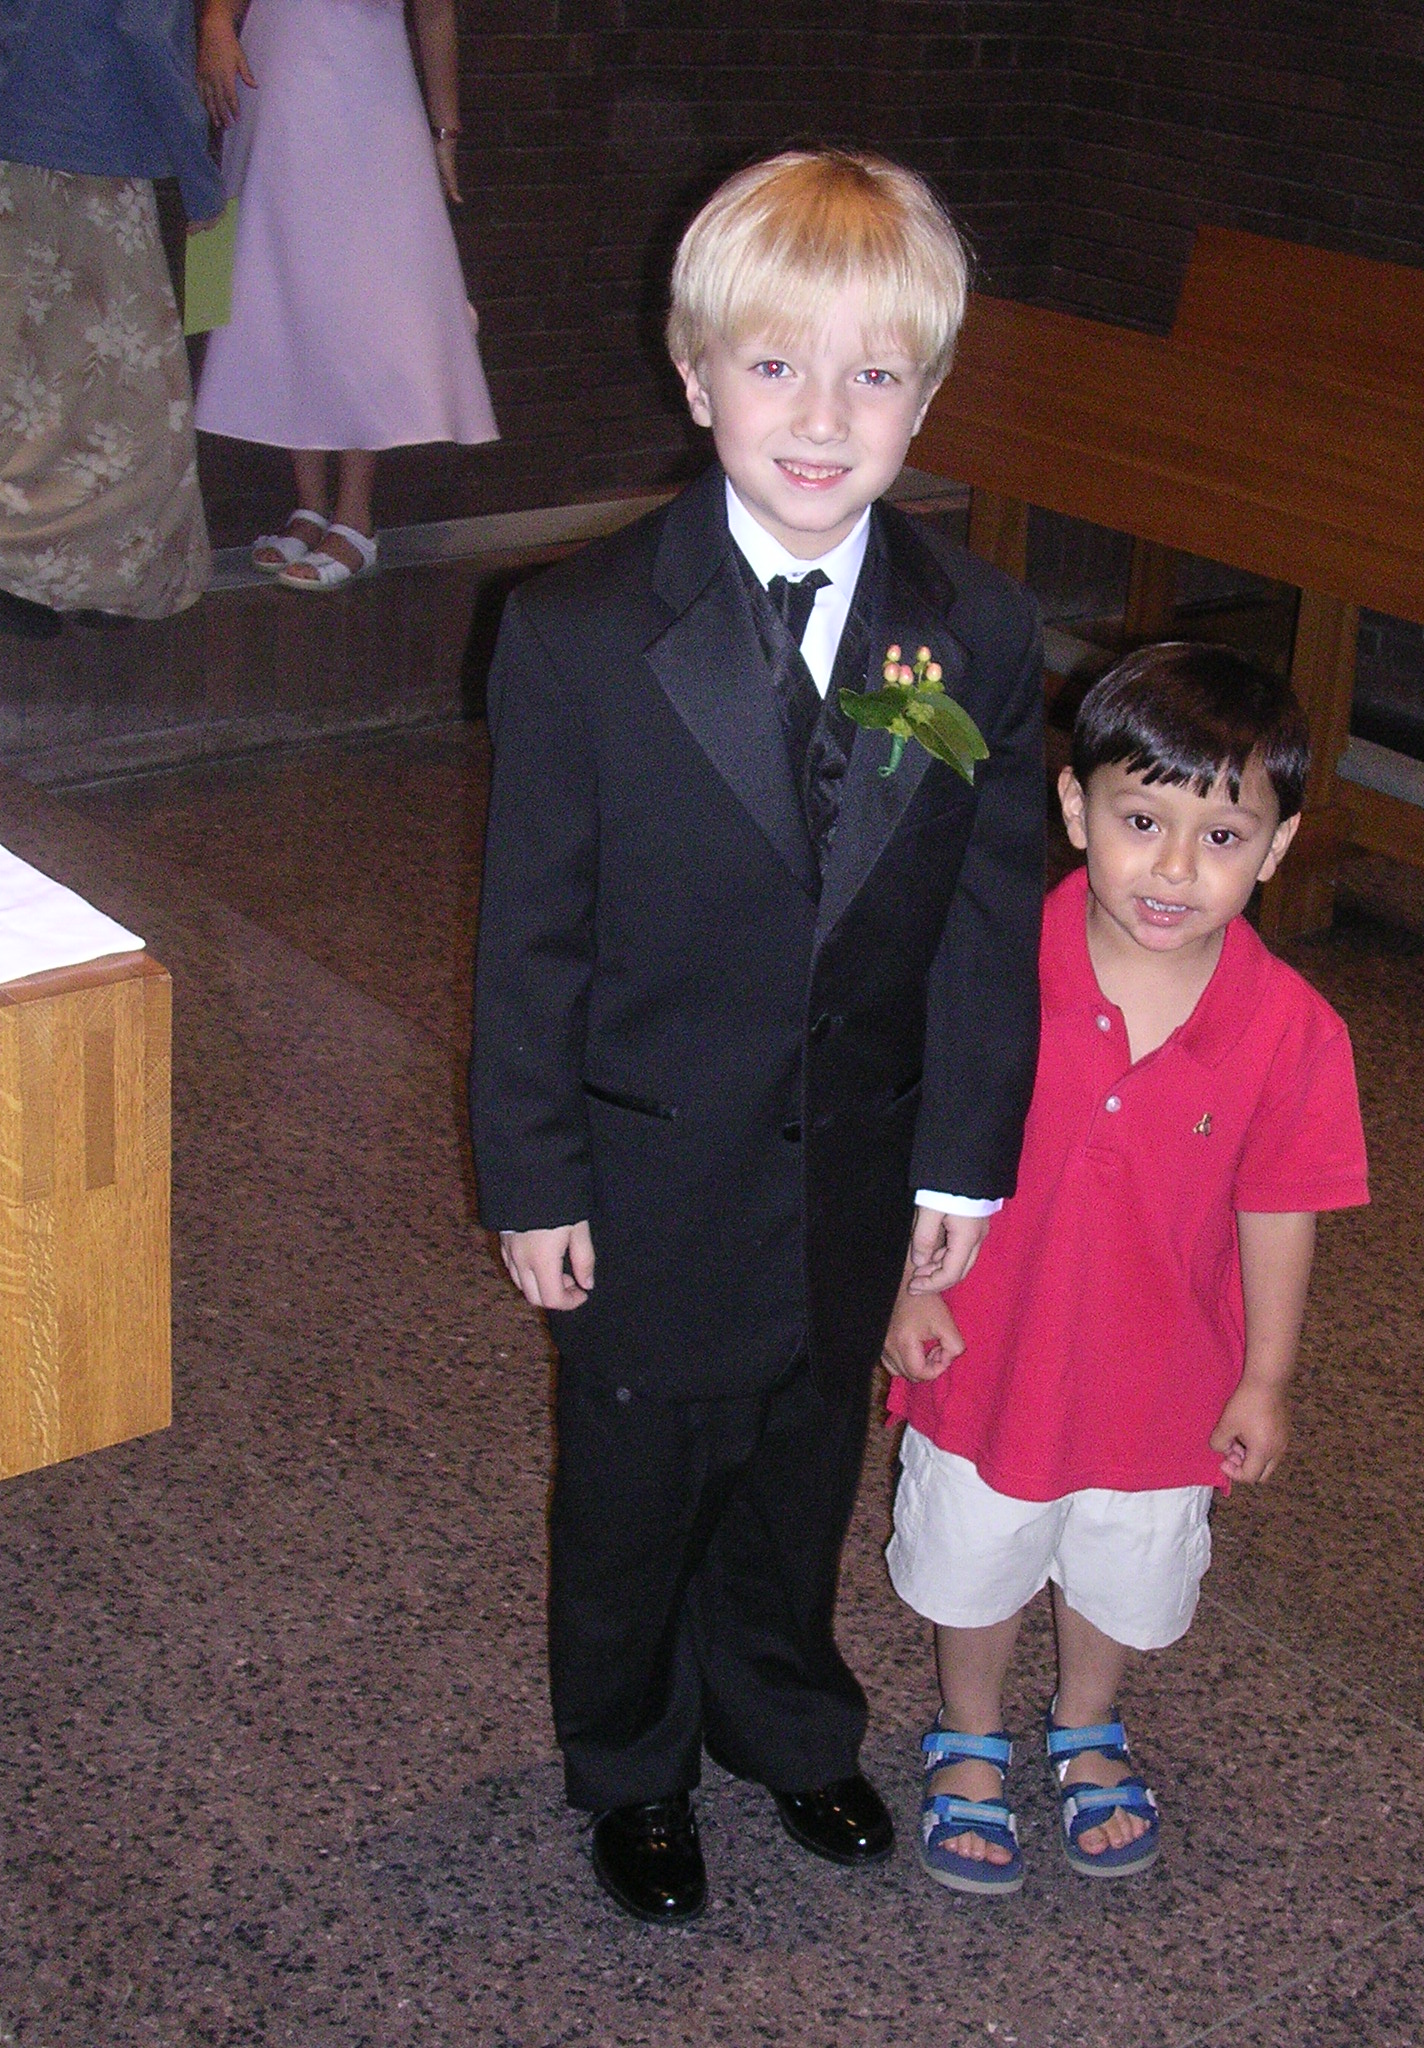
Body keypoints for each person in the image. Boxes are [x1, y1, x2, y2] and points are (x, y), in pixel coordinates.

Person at [470, 149, 1045, 1926]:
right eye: (776, 365)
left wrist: (961, 1159)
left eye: (873, 376)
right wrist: (533, 1175)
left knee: (804, 1461)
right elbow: (532, 936)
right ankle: (632, 1760)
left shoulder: (970, 629)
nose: (821, 417)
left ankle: (785, 1716)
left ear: (924, 400)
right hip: (647, 1161)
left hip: (853, 1162)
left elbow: (984, 914)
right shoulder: (576, 630)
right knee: (639, 1483)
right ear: (695, 370)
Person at [884, 642, 1369, 1894]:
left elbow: (1281, 1210)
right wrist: (906, 1284)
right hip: (989, 1351)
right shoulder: (993, 965)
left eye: (1223, 837)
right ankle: (970, 1730)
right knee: (975, 1554)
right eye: (1141, 820)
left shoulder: (1294, 1031)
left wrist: (1267, 1376)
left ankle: (1087, 1720)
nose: (1173, 868)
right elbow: (911, 1133)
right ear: (1073, 806)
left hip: (1164, 1379)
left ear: (1278, 847)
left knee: (1124, 1560)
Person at [193, 0, 496, 590]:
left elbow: (435, 14)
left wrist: (444, 131)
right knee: (281, 288)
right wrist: (216, 22)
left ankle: (355, 515)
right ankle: (309, 505)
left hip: (364, 102)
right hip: (269, 91)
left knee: (361, 301)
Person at [0, 0, 222, 635]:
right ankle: (104, 579)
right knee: (138, 397)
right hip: (97, 156)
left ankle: (24, 581)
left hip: (15, 150)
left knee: (28, 387)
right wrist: (199, 175)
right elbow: (148, 32)